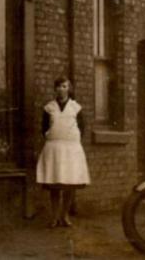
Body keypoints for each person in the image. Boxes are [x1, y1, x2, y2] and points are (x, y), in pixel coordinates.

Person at [36, 76, 90, 227]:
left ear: (69, 89)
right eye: (58, 86)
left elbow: (82, 128)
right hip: (54, 149)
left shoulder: (75, 108)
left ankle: (64, 215)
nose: (61, 89)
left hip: (71, 150)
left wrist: (71, 142)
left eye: (64, 86)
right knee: (55, 184)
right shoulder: (49, 108)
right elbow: (44, 128)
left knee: (70, 184)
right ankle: (54, 217)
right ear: (55, 89)